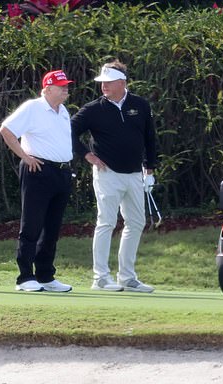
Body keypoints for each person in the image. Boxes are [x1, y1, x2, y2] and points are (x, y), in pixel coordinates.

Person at [71, 60, 158, 293]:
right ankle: (100, 278)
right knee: (106, 222)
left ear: (122, 82)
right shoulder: (93, 109)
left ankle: (127, 277)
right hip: (106, 173)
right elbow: (68, 130)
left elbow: (150, 136)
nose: (104, 87)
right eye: (102, 83)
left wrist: (150, 167)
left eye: (108, 82)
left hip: (134, 174)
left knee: (136, 222)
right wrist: (87, 155)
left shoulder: (140, 105)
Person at [0, 70, 74, 292]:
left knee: (52, 228)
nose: (65, 89)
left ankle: (45, 275)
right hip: (38, 170)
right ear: (47, 89)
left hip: (61, 173)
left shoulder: (63, 111)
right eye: (61, 86)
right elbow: (6, 130)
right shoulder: (33, 107)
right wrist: (25, 156)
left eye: (66, 86)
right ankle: (24, 277)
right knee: (31, 225)